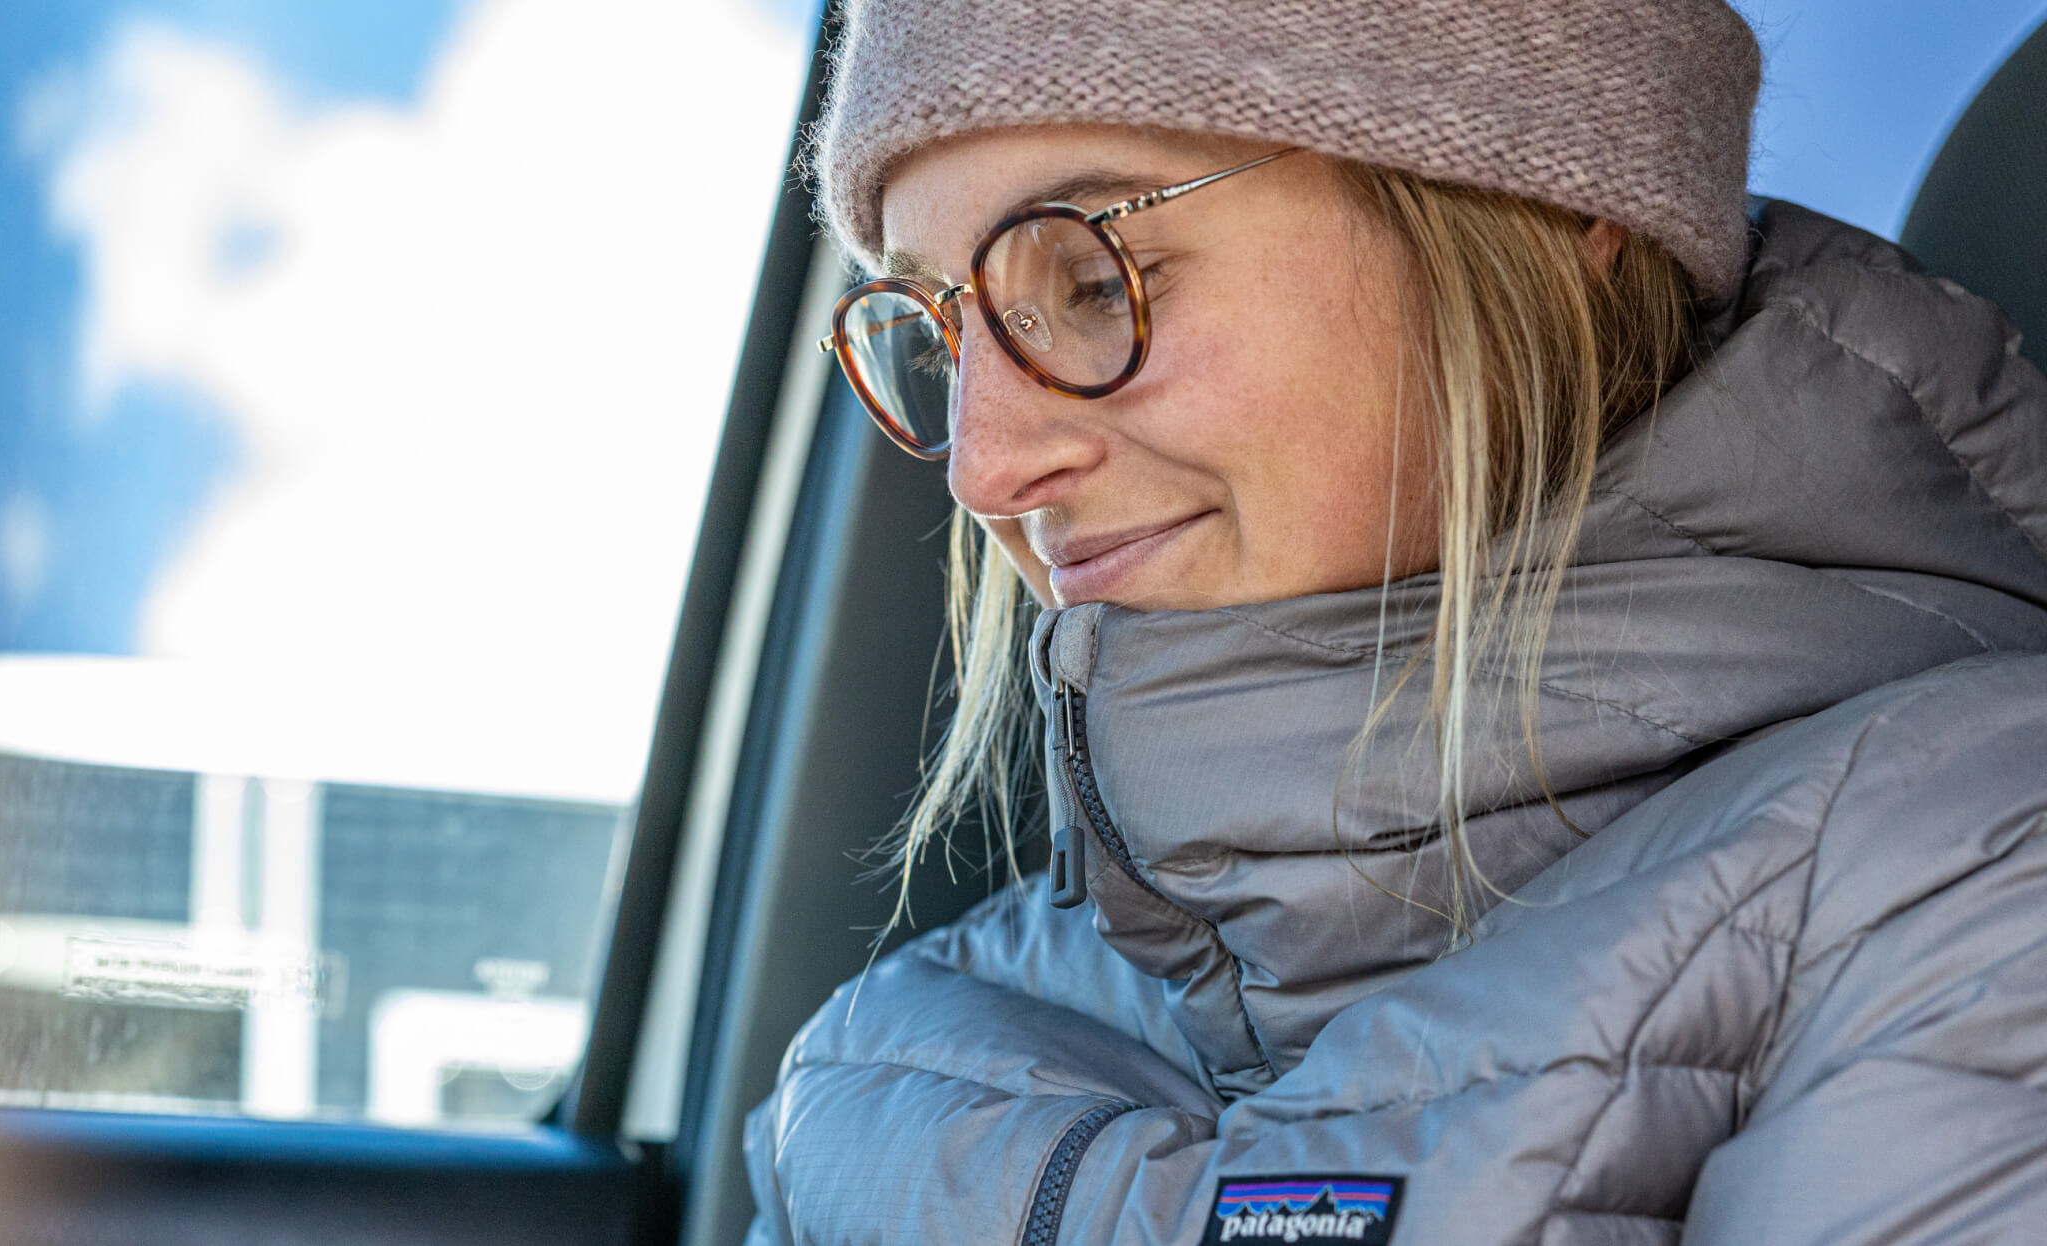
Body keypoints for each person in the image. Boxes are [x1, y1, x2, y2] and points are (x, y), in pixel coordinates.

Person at [741, 1, 2047, 1243]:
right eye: (936, 330)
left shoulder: (1975, 882)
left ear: (1546, 201)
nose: (984, 466)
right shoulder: (897, 1052)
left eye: (1093, 281)